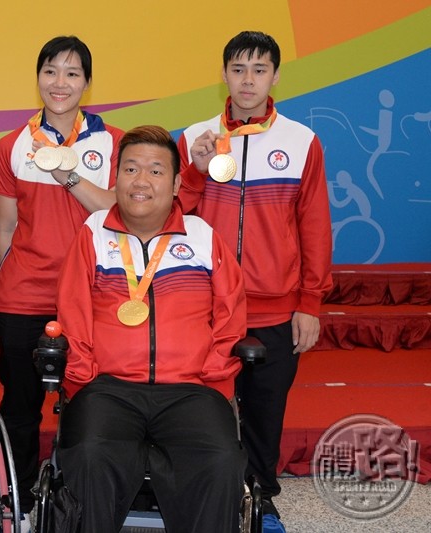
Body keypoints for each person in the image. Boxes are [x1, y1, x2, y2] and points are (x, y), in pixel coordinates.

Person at [177, 31, 333, 533]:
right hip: (206, 305)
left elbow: (314, 225)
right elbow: (173, 216)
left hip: (275, 307)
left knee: (266, 413)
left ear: (276, 76)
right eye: (239, 69)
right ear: (223, 73)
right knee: (204, 409)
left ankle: (262, 498)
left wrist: (309, 302)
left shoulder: (301, 141)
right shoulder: (194, 138)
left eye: (259, 69)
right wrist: (197, 172)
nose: (248, 80)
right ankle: (206, 495)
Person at [56, 125, 248, 532]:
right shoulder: (92, 232)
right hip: (109, 388)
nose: (141, 181)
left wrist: (212, 379)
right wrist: (86, 379)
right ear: (116, 178)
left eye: (156, 171)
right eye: (131, 169)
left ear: (178, 182)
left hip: (191, 389)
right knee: (89, 453)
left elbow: (231, 314)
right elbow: (72, 311)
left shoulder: (202, 236)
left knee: (220, 460)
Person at [0, 35, 123, 526]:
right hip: (24, 295)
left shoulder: (114, 141)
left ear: (87, 82)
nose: (59, 83)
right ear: (38, 78)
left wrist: (66, 172)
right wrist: (9, 282)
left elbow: (117, 207)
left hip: (93, 295)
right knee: (21, 406)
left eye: (71, 73)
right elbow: (5, 228)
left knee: (90, 405)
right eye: (50, 71)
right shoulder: (11, 146)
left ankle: (79, 497)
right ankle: (19, 498)